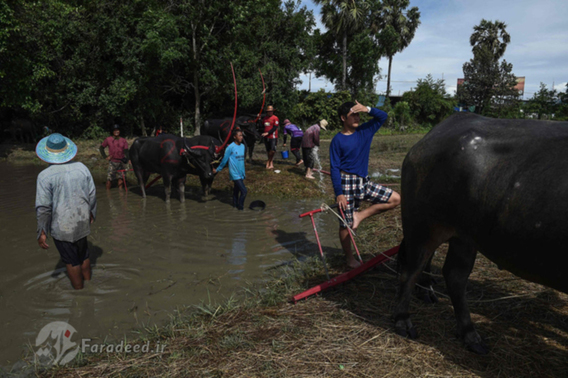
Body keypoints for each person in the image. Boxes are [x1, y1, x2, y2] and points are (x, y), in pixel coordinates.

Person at [330, 101, 401, 269]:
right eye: (352, 114)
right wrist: (339, 193)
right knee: (345, 224)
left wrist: (367, 109)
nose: (356, 117)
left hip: (364, 182)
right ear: (342, 118)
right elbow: (334, 167)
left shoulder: (365, 131)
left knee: (395, 199)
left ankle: (360, 216)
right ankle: (349, 259)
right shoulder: (337, 140)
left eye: (358, 114)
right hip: (345, 183)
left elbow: (383, 116)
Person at [35, 133, 97, 289]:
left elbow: (43, 207)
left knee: (71, 260)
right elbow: (92, 194)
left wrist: (42, 231)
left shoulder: (44, 176)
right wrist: (91, 213)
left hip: (62, 225)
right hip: (82, 219)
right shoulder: (82, 168)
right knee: (84, 255)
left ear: (47, 154)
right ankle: (88, 285)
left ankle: (80, 294)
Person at [213, 129, 247, 210]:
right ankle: (241, 209)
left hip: (241, 172)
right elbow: (224, 160)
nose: (241, 137)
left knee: (236, 190)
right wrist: (217, 169)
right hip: (234, 173)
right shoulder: (230, 147)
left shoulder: (243, 146)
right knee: (244, 191)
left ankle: (235, 206)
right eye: (239, 135)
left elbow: (242, 160)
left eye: (242, 135)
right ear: (235, 137)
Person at [99, 124, 129, 190]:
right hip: (112, 161)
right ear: (112, 131)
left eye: (118, 130)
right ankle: (108, 193)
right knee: (109, 179)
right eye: (115, 130)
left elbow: (126, 151)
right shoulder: (108, 139)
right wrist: (105, 156)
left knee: (121, 178)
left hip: (121, 161)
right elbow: (101, 148)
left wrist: (129, 159)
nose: (116, 131)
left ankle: (120, 193)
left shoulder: (123, 140)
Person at [261, 105, 279, 169]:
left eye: (271, 111)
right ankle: (270, 162)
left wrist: (268, 133)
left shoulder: (275, 118)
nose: (270, 112)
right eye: (269, 111)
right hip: (266, 137)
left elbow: (275, 127)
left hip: (273, 136)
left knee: (273, 150)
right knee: (268, 150)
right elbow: (262, 125)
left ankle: (269, 161)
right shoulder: (265, 118)